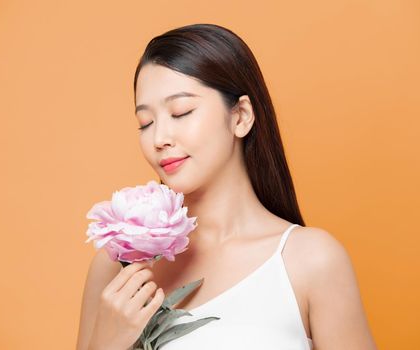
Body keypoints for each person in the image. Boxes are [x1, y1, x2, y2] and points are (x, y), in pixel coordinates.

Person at [76, 23, 378, 350]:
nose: (159, 138)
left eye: (181, 112)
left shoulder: (311, 261)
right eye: (145, 123)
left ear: (241, 116)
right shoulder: (118, 265)